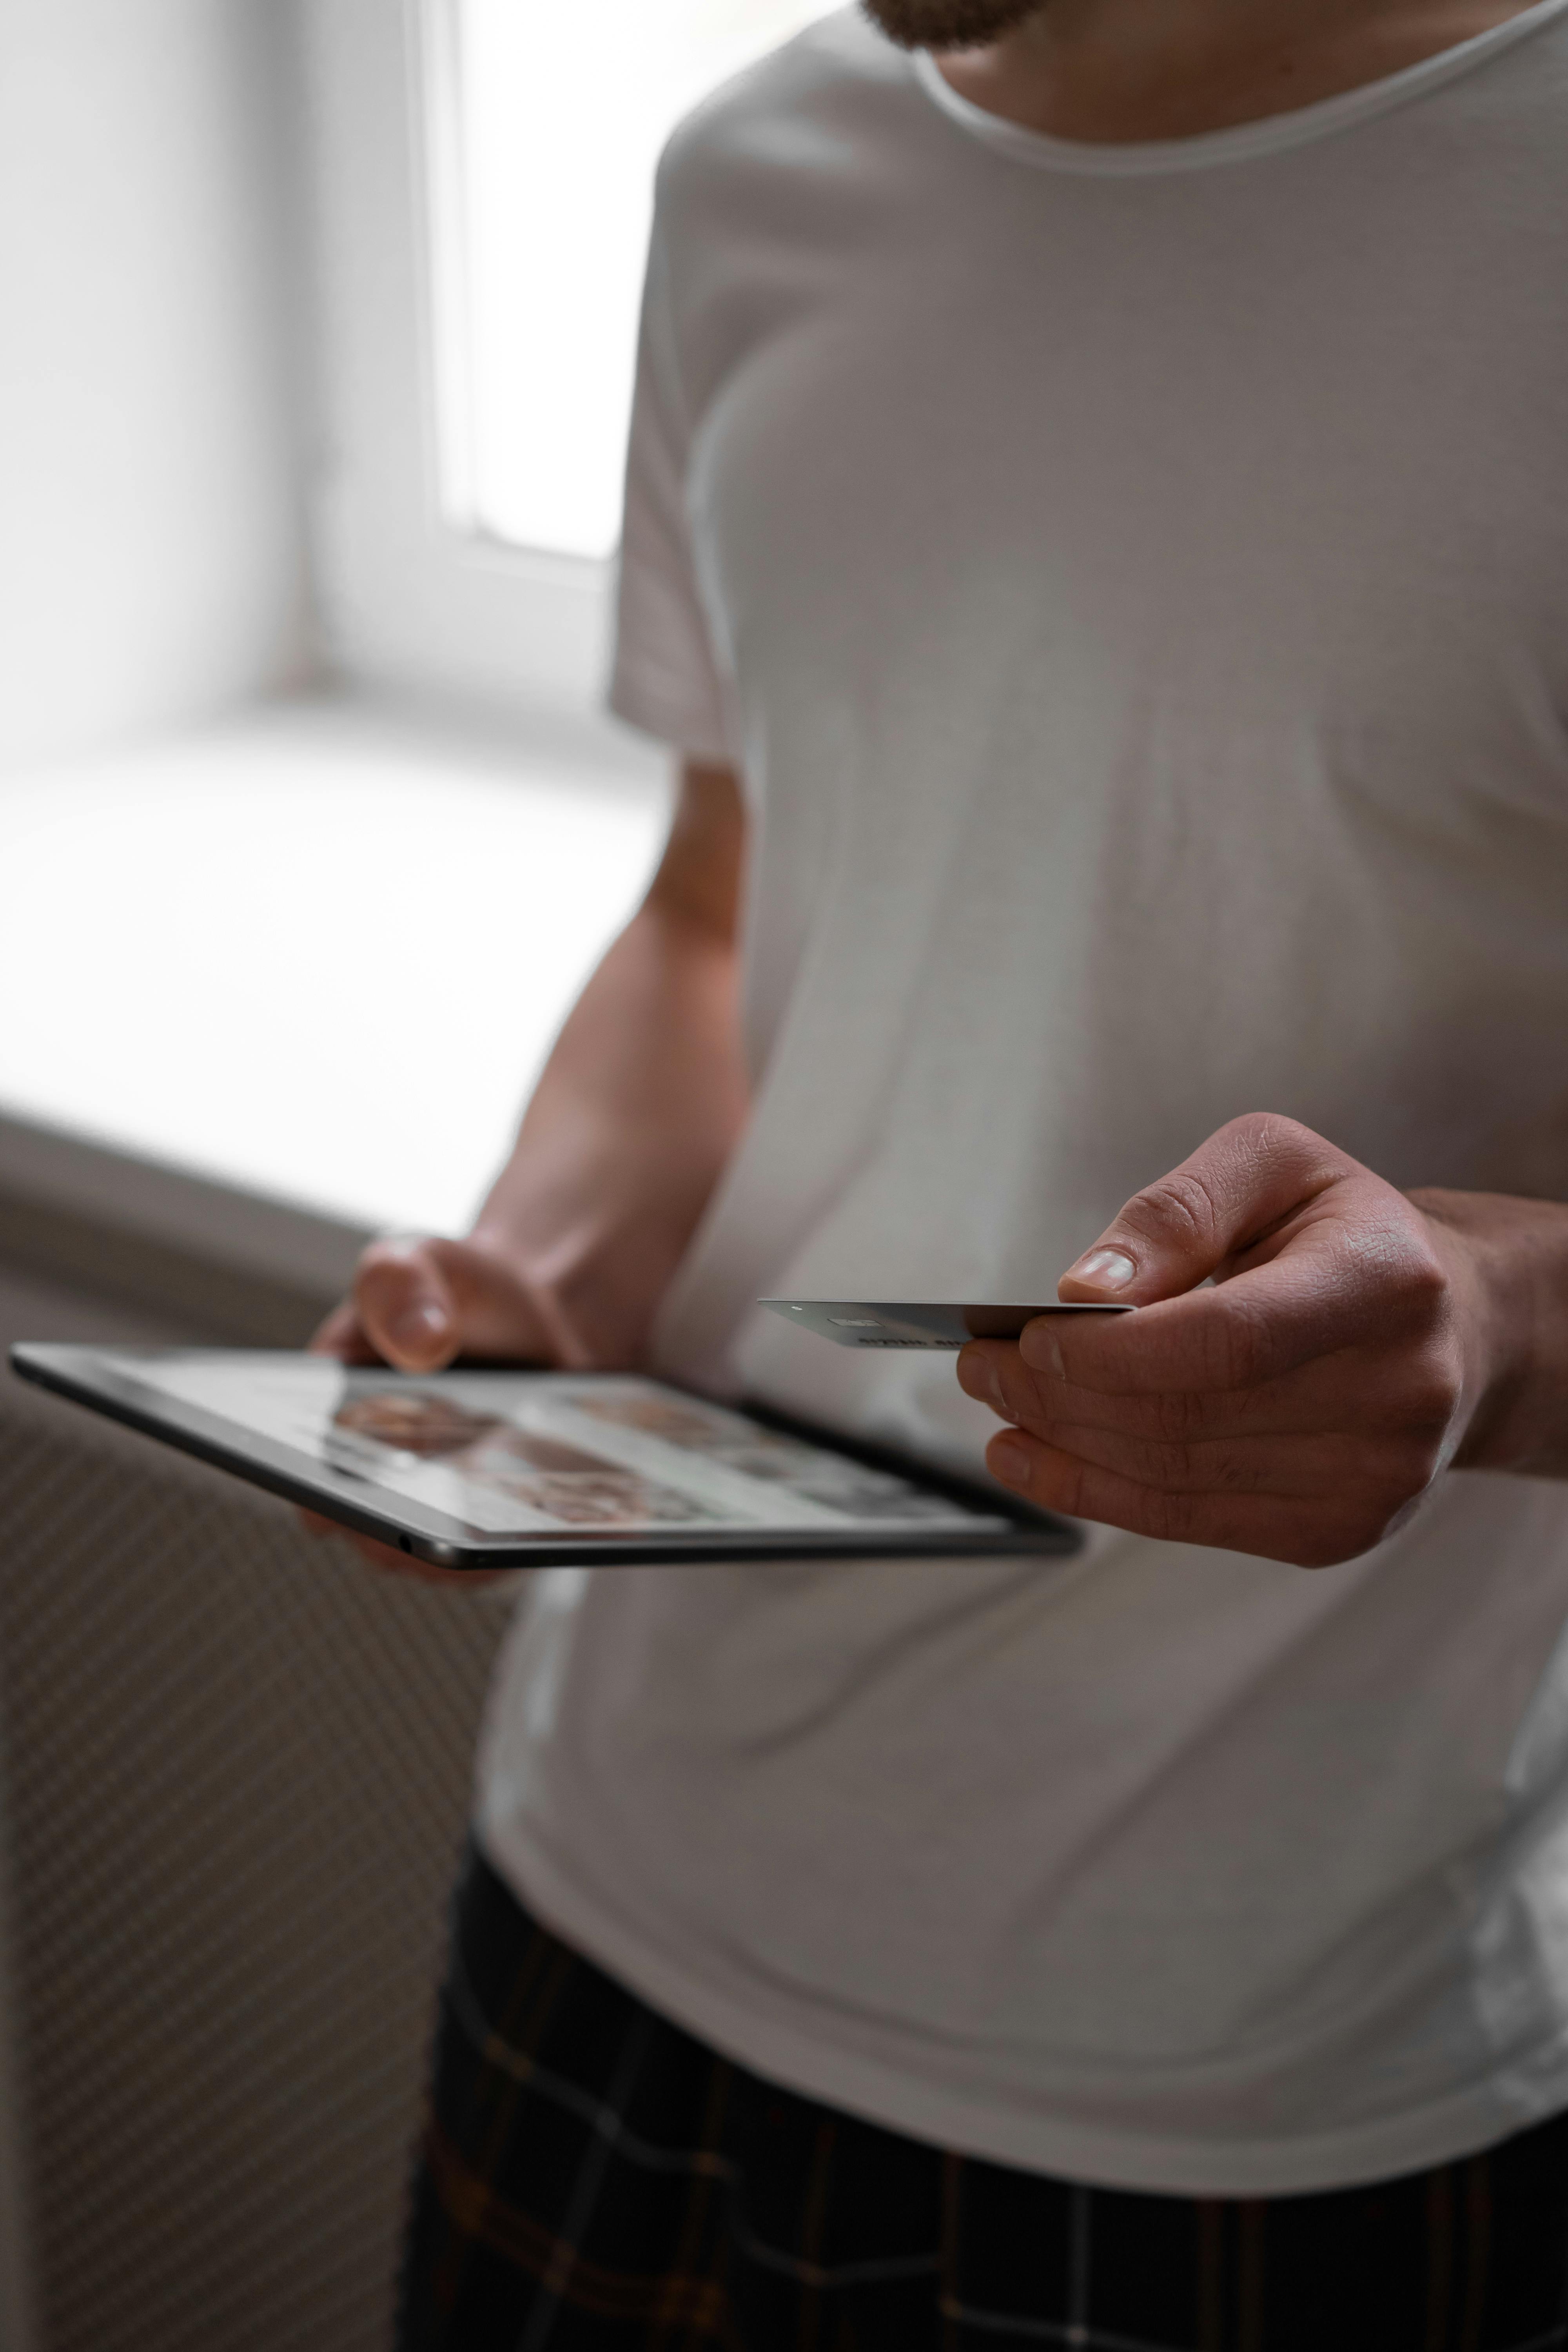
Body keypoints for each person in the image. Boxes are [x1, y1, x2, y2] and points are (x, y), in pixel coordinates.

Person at [318, 0, 1568, 2339]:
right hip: (609, 1867)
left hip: (1244, 2072)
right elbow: (717, 913)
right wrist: (541, 1278)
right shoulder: (756, 174)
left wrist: (1489, 1324)